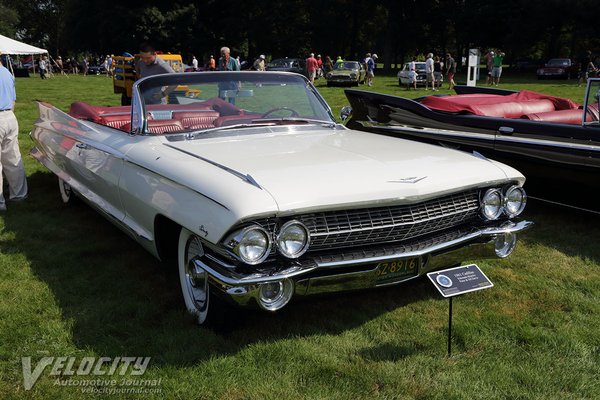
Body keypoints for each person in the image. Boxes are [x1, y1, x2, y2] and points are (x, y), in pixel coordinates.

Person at [0, 53, 28, 211]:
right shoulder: (7, 73)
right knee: (12, 158)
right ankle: (19, 194)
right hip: (10, 116)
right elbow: (13, 100)